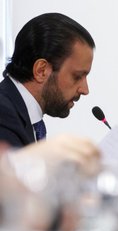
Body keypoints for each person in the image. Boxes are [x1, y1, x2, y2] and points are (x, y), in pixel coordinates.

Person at [0, 13, 96, 147]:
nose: (85, 90)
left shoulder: (19, 114)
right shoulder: (4, 116)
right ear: (41, 71)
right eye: (77, 76)